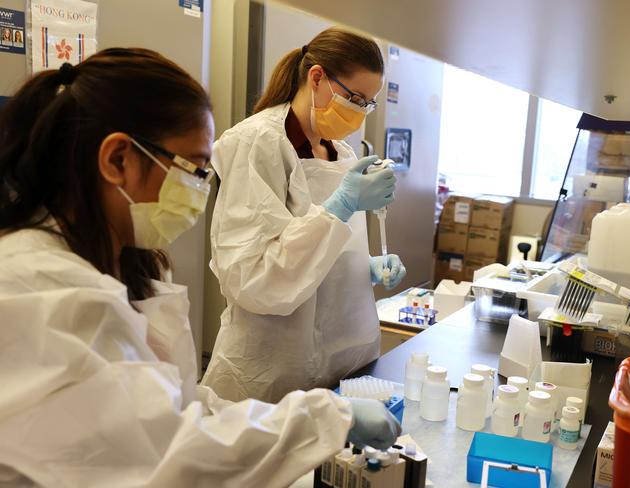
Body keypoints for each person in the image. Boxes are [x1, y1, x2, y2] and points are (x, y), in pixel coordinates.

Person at [0, 49, 400, 488]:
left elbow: (173, 406)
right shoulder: (38, 289)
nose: (201, 191)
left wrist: (313, 419)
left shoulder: (123, 263)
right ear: (118, 160)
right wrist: (324, 421)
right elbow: (168, 454)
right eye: (193, 169)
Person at [202, 27, 407, 403]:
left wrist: (364, 264)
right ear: (317, 78)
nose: (360, 113)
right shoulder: (257, 143)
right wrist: (340, 206)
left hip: (345, 358)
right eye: (355, 98)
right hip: (271, 369)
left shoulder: (343, 154)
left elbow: (326, 247)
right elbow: (253, 278)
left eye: (368, 103)